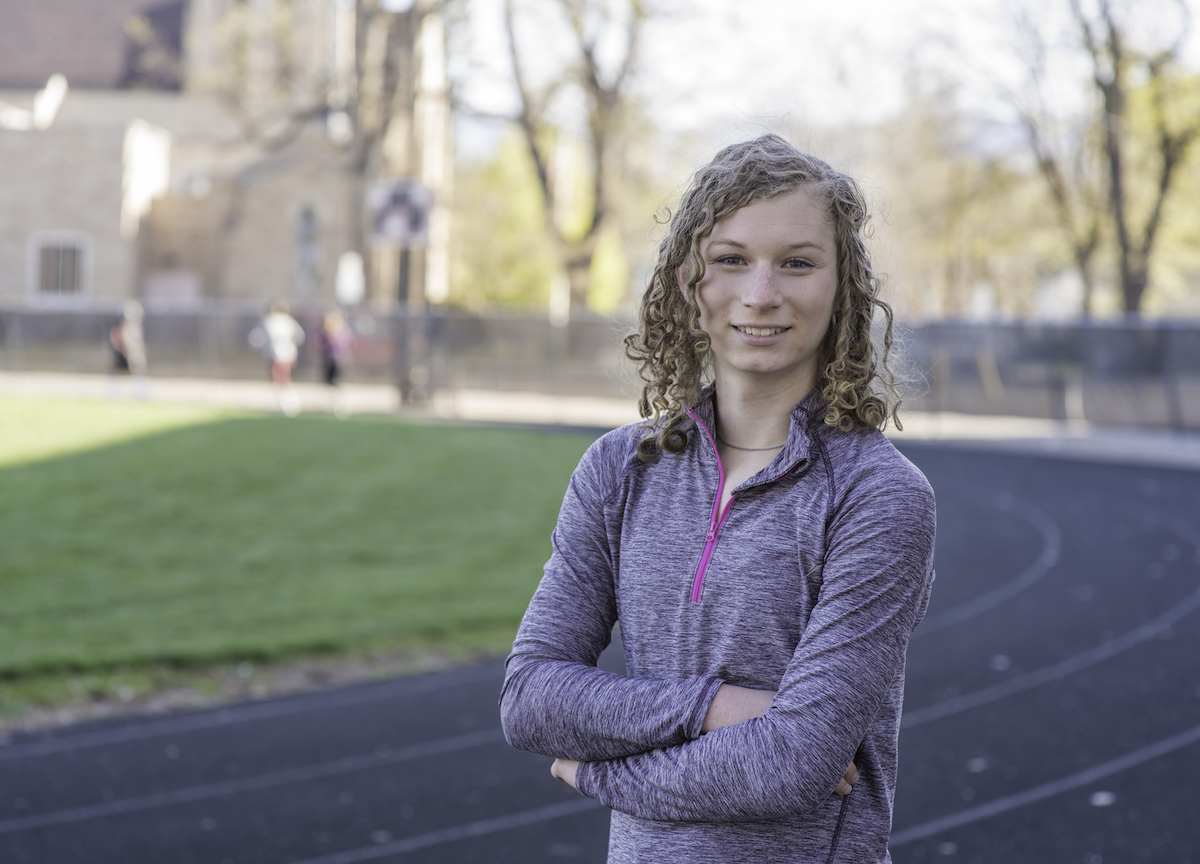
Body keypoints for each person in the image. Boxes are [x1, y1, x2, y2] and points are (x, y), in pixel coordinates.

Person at [499, 135, 937, 863]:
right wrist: (717, 707)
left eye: (796, 263)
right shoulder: (618, 469)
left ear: (841, 289)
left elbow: (791, 766)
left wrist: (590, 771)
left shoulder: (880, 496)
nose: (761, 295)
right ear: (687, 284)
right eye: (731, 260)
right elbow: (530, 699)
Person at [257, 300, 305, 416]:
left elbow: (260, 337)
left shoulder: (270, 321)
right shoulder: (289, 321)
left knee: (280, 381)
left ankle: (288, 404)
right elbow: (300, 336)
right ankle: (287, 404)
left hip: (276, 354)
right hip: (290, 354)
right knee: (284, 380)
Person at [314, 308, 354, 417]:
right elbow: (318, 342)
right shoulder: (325, 333)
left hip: (338, 360)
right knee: (332, 383)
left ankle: (340, 404)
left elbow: (343, 345)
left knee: (337, 383)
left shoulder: (341, 332)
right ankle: (335, 403)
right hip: (330, 360)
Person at [108, 300, 147, 399]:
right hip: (123, 352)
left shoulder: (134, 326)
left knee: (138, 372)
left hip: (131, 353)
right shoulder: (120, 325)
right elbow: (117, 337)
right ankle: (113, 394)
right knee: (116, 372)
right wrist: (124, 349)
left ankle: (140, 394)